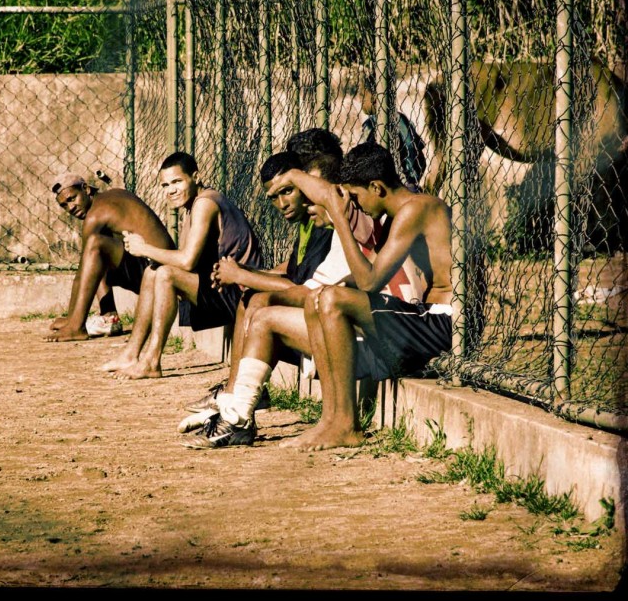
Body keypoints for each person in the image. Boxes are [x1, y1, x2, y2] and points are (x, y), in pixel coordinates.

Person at [189, 141, 452, 450]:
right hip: (413, 321)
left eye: (355, 197)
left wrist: (335, 213)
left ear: (376, 187)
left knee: (328, 298)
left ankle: (343, 423)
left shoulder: (417, 208)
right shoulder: (391, 217)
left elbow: (368, 281)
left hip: (439, 322)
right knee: (311, 301)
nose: (351, 203)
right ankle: (324, 421)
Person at [179, 129, 345, 425]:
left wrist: (243, 274)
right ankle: (233, 399)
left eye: (290, 187)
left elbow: (300, 288)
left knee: (258, 303)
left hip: (337, 326)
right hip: (318, 313)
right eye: (276, 195)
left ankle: (237, 408)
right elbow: (296, 270)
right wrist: (248, 274)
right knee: (250, 296)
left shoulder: (329, 223)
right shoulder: (312, 220)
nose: (283, 202)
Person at [100, 152, 263, 379]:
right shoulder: (194, 204)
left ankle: (151, 360)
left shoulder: (205, 203)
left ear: (196, 177)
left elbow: (187, 261)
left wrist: (144, 249)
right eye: (165, 185)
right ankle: (131, 353)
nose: (171, 190)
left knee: (166, 274)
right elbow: (187, 260)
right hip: (221, 286)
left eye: (177, 181)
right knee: (152, 271)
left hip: (240, 293)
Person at [45, 172, 174, 342]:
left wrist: (73, 321)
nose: (71, 208)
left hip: (159, 272)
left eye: (72, 198)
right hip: (158, 266)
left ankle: (77, 326)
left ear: (86, 189)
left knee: (95, 246)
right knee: (99, 249)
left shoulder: (95, 216)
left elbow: (82, 273)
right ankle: (109, 317)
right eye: (64, 206)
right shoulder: (114, 194)